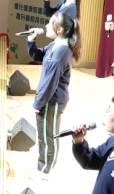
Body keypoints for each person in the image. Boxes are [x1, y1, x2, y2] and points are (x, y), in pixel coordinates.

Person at [26, 12, 81, 180]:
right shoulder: (56, 44)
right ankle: (42, 167)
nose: (46, 26)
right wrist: (31, 41)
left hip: (53, 101)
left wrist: (38, 103)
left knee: (49, 136)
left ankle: (45, 170)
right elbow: (38, 55)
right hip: (48, 99)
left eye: (50, 24)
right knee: (44, 135)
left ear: (59, 29)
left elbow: (51, 82)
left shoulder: (61, 52)